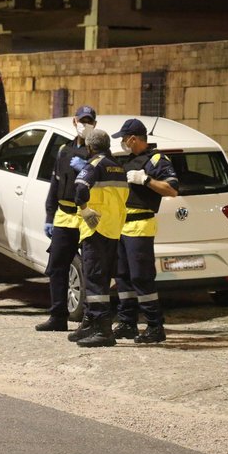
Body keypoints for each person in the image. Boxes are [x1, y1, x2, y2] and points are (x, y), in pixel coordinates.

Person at [111, 118, 179, 344]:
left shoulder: (157, 160)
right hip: (122, 226)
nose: (122, 142)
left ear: (133, 138)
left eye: (124, 138)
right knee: (123, 277)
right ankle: (127, 323)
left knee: (141, 277)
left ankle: (154, 326)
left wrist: (146, 179)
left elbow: (171, 190)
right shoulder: (130, 160)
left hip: (140, 225)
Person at [36, 105, 97, 331]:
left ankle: (89, 319)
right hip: (64, 215)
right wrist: (49, 215)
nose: (85, 124)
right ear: (74, 121)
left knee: (90, 269)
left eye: (89, 121)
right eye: (82, 120)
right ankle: (58, 316)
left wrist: (88, 166)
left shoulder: (98, 152)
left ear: (95, 124)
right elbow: (55, 184)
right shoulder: (64, 150)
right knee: (56, 266)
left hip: (86, 215)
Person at [66, 129, 129, 347]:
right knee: (101, 278)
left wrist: (84, 209)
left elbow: (80, 190)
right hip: (113, 228)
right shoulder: (119, 167)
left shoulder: (93, 165)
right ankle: (91, 323)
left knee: (94, 279)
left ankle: (103, 330)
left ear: (90, 147)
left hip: (95, 228)